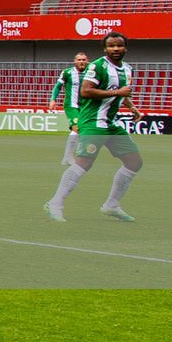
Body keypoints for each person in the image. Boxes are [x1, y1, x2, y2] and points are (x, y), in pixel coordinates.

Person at [46, 33, 141, 223]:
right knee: (84, 163)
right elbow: (86, 91)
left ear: (125, 48)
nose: (115, 49)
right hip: (92, 122)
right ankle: (55, 203)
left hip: (111, 124)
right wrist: (118, 92)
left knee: (134, 162)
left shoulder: (127, 69)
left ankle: (111, 205)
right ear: (105, 49)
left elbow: (122, 91)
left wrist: (131, 106)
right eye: (111, 46)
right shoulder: (97, 66)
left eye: (119, 45)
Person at [49, 50, 90, 168]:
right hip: (71, 106)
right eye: (79, 60)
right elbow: (57, 87)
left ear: (87, 61)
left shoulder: (91, 73)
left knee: (84, 130)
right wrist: (53, 99)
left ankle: (67, 157)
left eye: (83, 60)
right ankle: (68, 157)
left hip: (86, 106)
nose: (81, 62)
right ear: (75, 61)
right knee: (77, 128)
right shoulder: (67, 72)